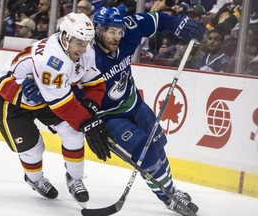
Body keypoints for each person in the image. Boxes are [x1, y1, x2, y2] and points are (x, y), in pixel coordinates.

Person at [23, 7, 205, 215]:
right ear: (98, 30)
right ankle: (169, 197)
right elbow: (52, 66)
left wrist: (179, 24)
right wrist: (37, 84)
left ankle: (171, 188)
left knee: (157, 144)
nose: (118, 36)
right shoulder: (84, 52)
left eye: (119, 31)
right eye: (112, 32)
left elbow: (156, 19)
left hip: (134, 103)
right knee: (145, 153)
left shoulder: (128, 29)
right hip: (106, 116)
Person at [0, 12, 111, 207]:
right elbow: (62, 105)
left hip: (47, 97)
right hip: (13, 101)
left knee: (73, 133)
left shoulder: (86, 51)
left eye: (87, 42)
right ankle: (35, 179)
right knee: (33, 149)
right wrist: (88, 123)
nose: (84, 48)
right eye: (79, 43)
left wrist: (90, 107)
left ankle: (75, 178)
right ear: (65, 37)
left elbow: (95, 83)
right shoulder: (51, 58)